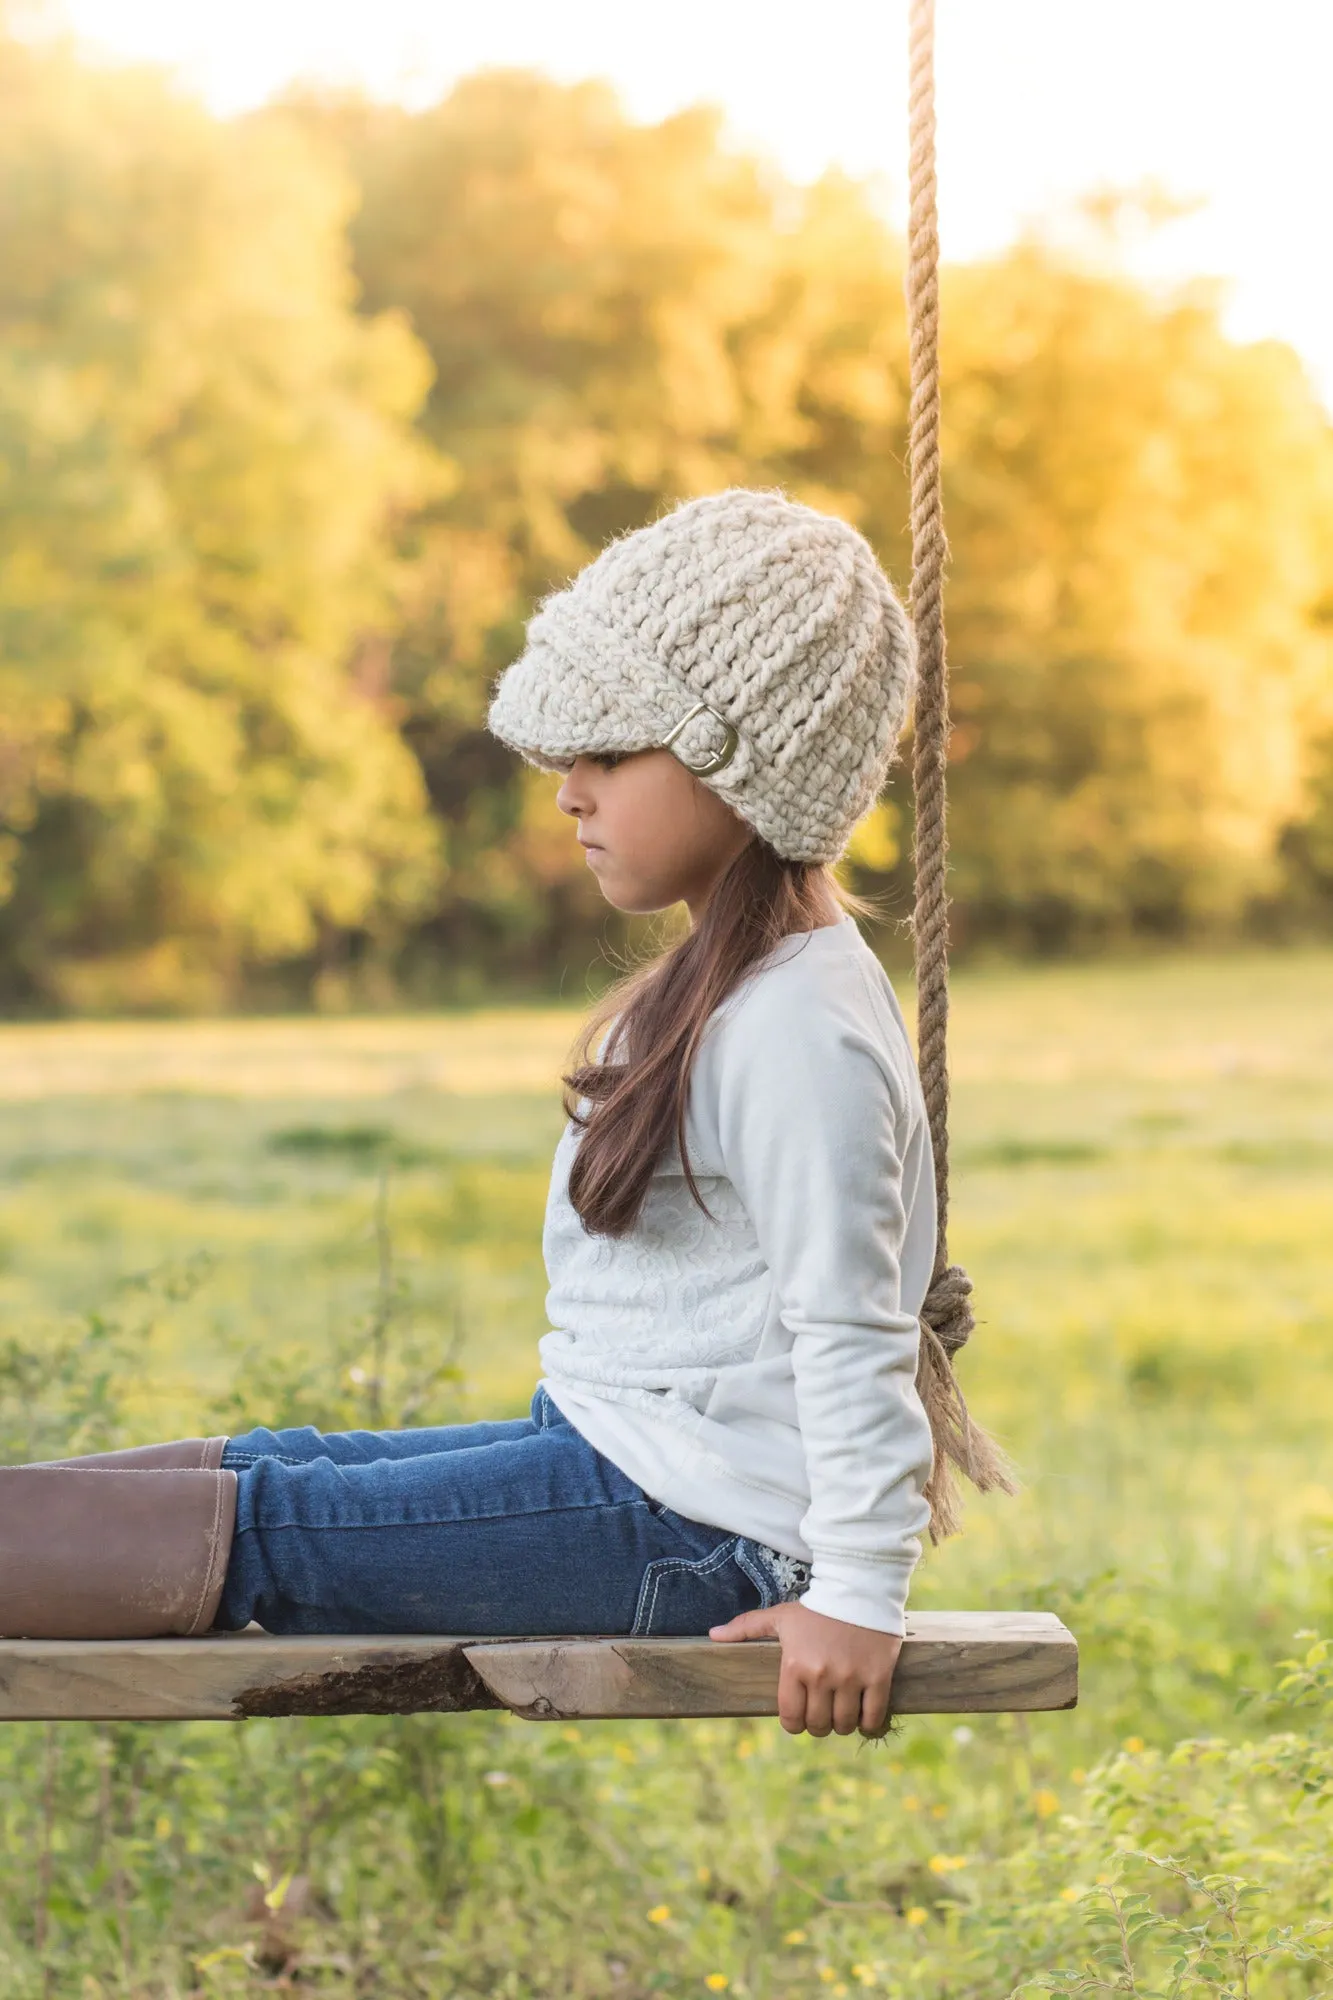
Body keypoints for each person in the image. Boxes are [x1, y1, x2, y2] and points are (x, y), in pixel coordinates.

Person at [1, 489, 942, 1739]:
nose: (568, 792)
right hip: (624, 1467)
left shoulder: (795, 1026)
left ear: (737, 764)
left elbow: (851, 1318)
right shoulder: (751, 985)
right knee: (271, 1463)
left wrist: (861, 1595)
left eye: (609, 753)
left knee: (277, 1524)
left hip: (698, 1532)